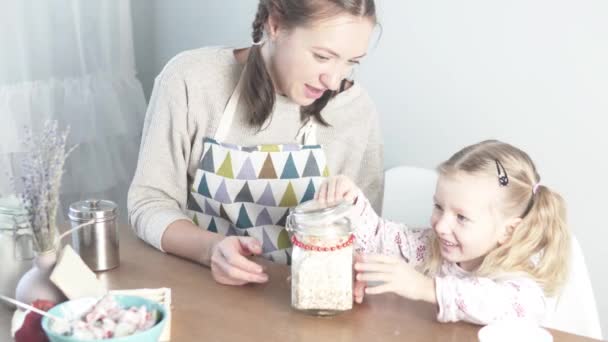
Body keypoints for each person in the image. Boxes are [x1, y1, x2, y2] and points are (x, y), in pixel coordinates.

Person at [128, 0, 383, 286]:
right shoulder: (191, 80)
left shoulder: (355, 111)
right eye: (322, 57)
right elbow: (149, 202)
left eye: (351, 62)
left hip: (302, 304)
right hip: (199, 292)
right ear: (275, 25)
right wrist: (210, 248)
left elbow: (365, 237)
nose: (334, 81)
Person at [316, 140, 570, 324]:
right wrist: (350, 200)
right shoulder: (430, 246)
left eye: (461, 217)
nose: (440, 225)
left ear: (507, 231)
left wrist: (426, 288)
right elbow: (379, 238)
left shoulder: (520, 277)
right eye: (438, 206)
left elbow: (511, 306)